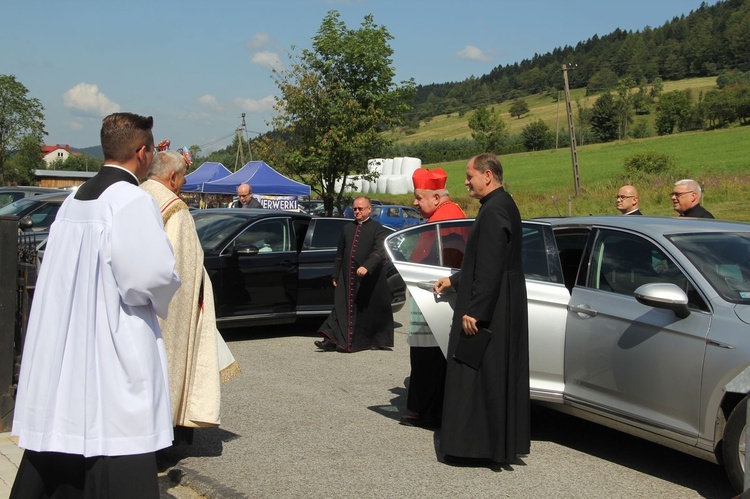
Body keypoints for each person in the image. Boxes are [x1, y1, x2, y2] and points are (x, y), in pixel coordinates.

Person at [11, 112, 181, 498]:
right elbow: (148, 278)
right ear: (141, 152)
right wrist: (170, 283)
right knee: (115, 432)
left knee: (71, 432)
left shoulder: (74, 200)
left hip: (72, 344)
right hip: (113, 344)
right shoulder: (131, 201)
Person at [433, 153, 530, 465]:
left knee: (475, 374)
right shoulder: (501, 205)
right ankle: (490, 444)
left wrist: (476, 310)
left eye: (469, 175)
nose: (465, 182)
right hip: (499, 302)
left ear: (487, 176)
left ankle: (473, 446)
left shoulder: (494, 212)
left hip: (492, 309)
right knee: (489, 375)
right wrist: (454, 280)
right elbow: (485, 260)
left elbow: (489, 267)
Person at [141, 151, 240, 444]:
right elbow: (183, 271)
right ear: (173, 177)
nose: (183, 183)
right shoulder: (175, 208)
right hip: (167, 314)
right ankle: (166, 434)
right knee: (168, 372)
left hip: (135, 305)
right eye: (183, 177)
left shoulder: (138, 196)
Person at [400, 167, 466, 429]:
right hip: (436, 297)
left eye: (419, 197)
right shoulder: (449, 214)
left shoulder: (444, 222)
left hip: (437, 299)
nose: (414, 203)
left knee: (429, 357)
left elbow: (429, 261)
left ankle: (426, 410)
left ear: (436, 198)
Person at [315, 196, 394, 352]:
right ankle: (330, 339)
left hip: (368, 279)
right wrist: (336, 274)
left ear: (369, 209)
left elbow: (379, 251)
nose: (357, 211)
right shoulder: (347, 228)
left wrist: (367, 266)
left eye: (360, 208)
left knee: (369, 311)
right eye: (355, 209)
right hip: (346, 275)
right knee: (340, 307)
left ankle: (374, 340)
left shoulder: (377, 228)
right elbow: (340, 253)